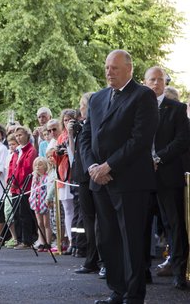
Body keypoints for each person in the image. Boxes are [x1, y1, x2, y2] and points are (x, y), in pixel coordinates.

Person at [80, 50, 158, 304]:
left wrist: (109, 166)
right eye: (106, 67)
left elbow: (140, 139)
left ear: (129, 69)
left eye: (114, 68)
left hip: (130, 182)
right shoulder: (97, 98)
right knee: (108, 239)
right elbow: (85, 137)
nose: (108, 72)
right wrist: (92, 166)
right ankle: (117, 290)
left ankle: (134, 296)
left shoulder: (142, 95)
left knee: (131, 240)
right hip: (99, 182)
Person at [143, 66, 189, 290]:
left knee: (174, 225)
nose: (155, 83)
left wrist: (158, 158)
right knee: (141, 225)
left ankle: (180, 272)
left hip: (168, 175)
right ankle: (142, 272)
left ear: (164, 82)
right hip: (141, 176)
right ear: (144, 82)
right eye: (151, 79)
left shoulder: (177, 109)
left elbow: (182, 140)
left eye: (159, 79)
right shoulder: (136, 107)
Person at [71, 92, 101, 274]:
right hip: (82, 177)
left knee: (101, 221)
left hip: (96, 176)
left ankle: (104, 261)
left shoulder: (97, 125)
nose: (80, 109)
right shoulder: (81, 127)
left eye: (82, 106)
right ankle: (91, 260)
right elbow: (75, 152)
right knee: (89, 221)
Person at [8, 126, 37, 250]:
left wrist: (16, 181)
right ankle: (19, 238)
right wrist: (10, 180)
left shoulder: (31, 150)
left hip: (25, 187)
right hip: (15, 187)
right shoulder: (17, 151)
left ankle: (27, 240)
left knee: (24, 214)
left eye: (21, 135)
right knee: (16, 213)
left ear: (27, 135)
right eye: (17, 136)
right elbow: (11, 166)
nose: (19, 138)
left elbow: (26, 168)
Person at [53, 109, 78, 255]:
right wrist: (57, 151)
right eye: (65, 120)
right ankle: (70, 240)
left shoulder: (78, 133)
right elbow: (56, 159)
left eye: (70, 120)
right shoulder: (61, 136)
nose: (67, 122)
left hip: (74, 174)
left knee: (77, 210)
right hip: (63, 174)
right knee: (67, 209)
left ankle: (77, 240)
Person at [29, 157, 52, 251]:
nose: (37, 167)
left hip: (44, 203)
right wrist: (31, 199)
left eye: (40, 164)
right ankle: (41, 242)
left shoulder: (47, 178)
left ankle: (48, 242)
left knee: (47, 223)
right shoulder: (35, 178)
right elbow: (32, 190)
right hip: (36, 202)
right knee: (39, 223)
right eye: (36, 165)